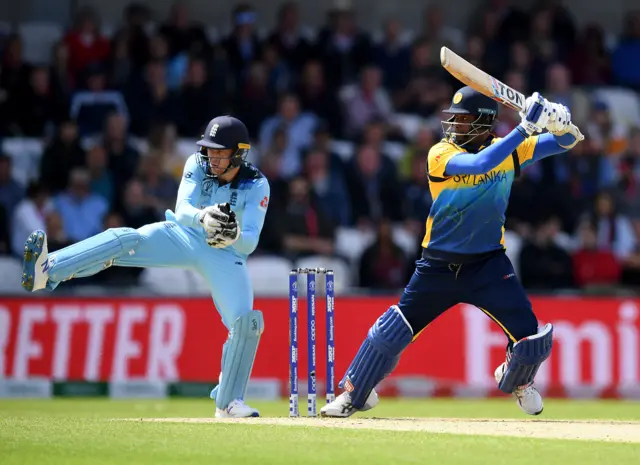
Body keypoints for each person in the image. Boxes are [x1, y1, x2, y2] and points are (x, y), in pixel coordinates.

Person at [321, 86, 584, 418]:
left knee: (532, 338)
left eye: (463, 121)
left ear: (484, 123)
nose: (455, 126)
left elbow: (567, 142)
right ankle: (353, 393)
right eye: (454, 120)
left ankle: (518, 380)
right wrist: (526, 127)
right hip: (438, 266)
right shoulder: (440, 153)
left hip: (488, 265)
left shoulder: (513, 149)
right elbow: (480, 164)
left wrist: (563, 125)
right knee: (393, 330)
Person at [20, 116, 270, 419]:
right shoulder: (197, 163)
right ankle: (47, 270)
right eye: (210, 150)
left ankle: (229, 403)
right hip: (184, 235)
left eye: (220, 152)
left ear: (239, 153)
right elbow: (183, 209)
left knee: (248, 322)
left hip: (225, 252)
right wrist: (203, 217)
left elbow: (250, 243)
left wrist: (233, 235)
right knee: (127, 238)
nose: (213, 157)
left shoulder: (256, 184)